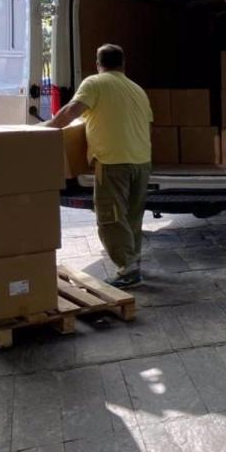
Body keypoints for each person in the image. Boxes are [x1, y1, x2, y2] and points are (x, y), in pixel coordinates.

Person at [45, 44, 152, 287]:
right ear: (123, 64)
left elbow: (71, 112)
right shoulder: (137, 89)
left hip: (113, 161)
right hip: (142, 161)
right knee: (132, 216)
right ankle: (133, 261)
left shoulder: (95, 83)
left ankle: (128, 270)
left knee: (110, 217)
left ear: (98, 64)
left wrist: (43, 130)